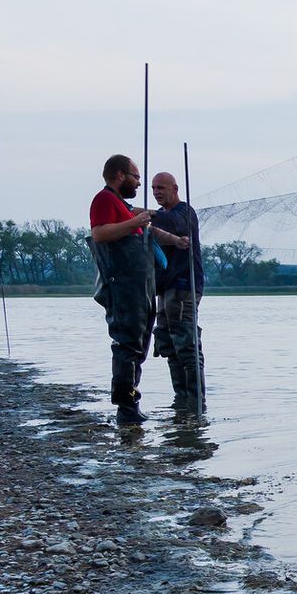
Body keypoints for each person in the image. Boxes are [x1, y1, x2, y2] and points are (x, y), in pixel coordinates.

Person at [88, 155, 156, 425]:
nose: (139, 182)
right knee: (127, 344)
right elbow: (100, 234)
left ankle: (131, 403)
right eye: (135, 176)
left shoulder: (121, 205)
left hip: (139, 288)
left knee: (138, 345)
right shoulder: (104, 199)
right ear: (119, 174)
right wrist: (134, 222)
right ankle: (126, 408)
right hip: (122, 285)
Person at [148, 171, 205, 415]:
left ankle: (195, 403)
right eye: (153, 188)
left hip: (184, 287)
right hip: (165, 289)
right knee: (168, 344)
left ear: (175, 188)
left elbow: (174, 224)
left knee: (187, 345)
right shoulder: (161, 218)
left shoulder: (184, 212)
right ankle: (181, 398)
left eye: (161, 187)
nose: (157, 192)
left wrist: (146, 214)